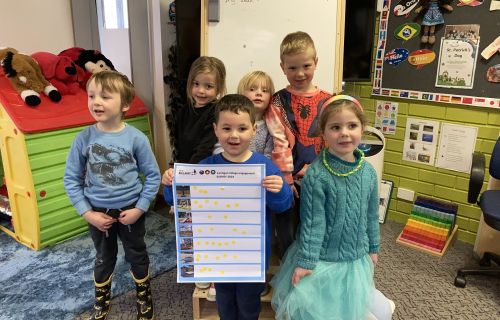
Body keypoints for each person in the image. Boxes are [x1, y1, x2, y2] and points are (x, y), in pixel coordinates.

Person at [163, 94, 293, 320]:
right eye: (226, 128)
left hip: (252, 257)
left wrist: (280, 188)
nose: (234, 135)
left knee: (249, 304)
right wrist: (169, 183)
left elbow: (282, 206)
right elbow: (177, 201)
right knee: (224, 299)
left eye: (242, 128)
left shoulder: (265, 166)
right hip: (218, 255)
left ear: (253, 130)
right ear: (215, 130)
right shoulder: (205, 167)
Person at [270, 95, 395, 320]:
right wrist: (307, 262)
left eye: (352, 126)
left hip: (355, 257)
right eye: (335, 127)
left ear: (362, 128)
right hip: (323, 260)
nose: (344, 133)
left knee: (370, 310)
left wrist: (373, 247)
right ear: (324, 133)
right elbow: (313, 223)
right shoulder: (316, 175)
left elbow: (370, 215)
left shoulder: (368, 172)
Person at [63, 71, 161, 320]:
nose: (96, 102)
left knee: (136, 254)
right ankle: (101, 299)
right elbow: (71, 180)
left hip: (131, 210)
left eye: (105, 96)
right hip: (98, 212)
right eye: (92, 95)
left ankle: (143, 295)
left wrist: (140, 208)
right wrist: (88, 214)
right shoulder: (82, 139)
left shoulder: (137, 138)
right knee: (104, 257)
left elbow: (152, 176)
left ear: (125, 104)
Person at [264, 31, 332, 257]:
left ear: (316, 63)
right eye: (292, 68)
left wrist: (325, 170)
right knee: (288, 228)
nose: (300, 73)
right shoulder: (276, 101)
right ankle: (289, 266)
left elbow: (334, 141)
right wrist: (287, 177)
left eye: (306, 66)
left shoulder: (329, 100)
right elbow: (279, 142)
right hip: (290, 179)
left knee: (318, 224)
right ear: (282, 67)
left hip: (323, 175)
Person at [171, 56, 227, 165]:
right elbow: (179, 146)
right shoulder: (183, 111)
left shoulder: (217, 112)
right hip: (185, 168)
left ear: (219, 88)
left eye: (208, 86)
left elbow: (205, 148)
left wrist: (189, 172)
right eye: (196, 84)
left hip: (203, 171)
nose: (201, 91)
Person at [237, 70, 275, 159]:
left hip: (260, 170)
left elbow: (269, 156)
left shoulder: (271, 127)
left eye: (264, 90)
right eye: (252, 89)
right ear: (241, 93)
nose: (259, 93)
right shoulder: (233, 121)